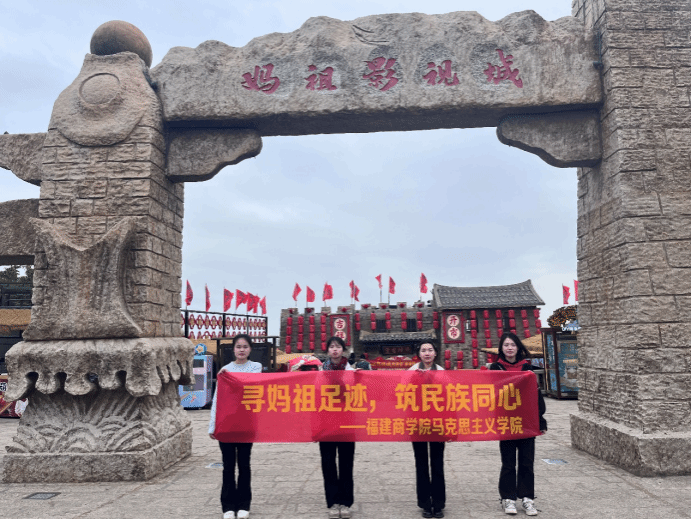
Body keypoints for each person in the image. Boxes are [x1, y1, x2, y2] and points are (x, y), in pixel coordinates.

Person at [489, 332, 547, 517]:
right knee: (508, 463)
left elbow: (535, 395)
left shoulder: (527, 368)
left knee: (527, 462)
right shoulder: (495, 368)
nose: (509, 348)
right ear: (501, 348)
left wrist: (541, 419)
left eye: (513, 345)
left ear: (518, 347)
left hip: (526, 422)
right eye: (506, 345)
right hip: (506, 422)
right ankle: (508, 498)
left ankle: (527, 498)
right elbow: (489, 395)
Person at [208, 334, 263, 520]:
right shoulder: (225, 370)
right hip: (227, 424)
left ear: (250, 349)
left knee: (244, 465)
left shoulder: (256, 367)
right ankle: (228, 506)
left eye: (245, 346)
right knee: (228, 466)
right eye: (238, 346)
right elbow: (217, 399)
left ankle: (244, 505)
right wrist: (212, 426)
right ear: (233, 349)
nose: (241, 350)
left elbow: (252, 384)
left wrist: (229, 378)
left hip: (247, 423)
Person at [408, 340, 446, 518]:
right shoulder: (411, 371)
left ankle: (438, 504)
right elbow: (402, 393)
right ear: (419, 354)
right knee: (421, 463)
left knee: (437, 464)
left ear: (435, 353)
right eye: (423, 350)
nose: (427, 353)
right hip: (417, 422)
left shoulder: (442, 372)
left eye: (430, 350)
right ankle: (424, 503)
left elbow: (449, 397)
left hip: (438, 423)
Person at [320, 336, 356, 519]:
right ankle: (333, 502)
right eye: (332, 347)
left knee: (346, 463)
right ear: (327, 350)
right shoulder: (320, 371)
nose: (335, 349)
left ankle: (346, 502)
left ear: (343, 350)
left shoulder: (352, 371)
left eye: (338, 346)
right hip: (326, 422)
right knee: (328, 463)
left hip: (347, 422)